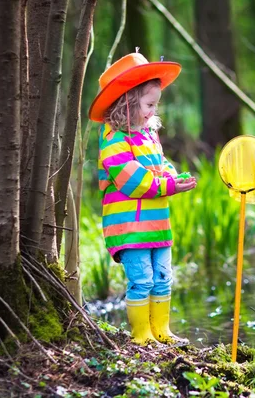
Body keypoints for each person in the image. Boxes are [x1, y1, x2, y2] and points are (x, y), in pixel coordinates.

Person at [89, 52, 196, 345]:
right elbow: (133, 180)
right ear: (126, 102)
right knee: (142, 280)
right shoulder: (113, 138)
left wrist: (174, 176)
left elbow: (160, 166)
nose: (152, 111)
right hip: (129, 226)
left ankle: (161, 329)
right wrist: (169, 186)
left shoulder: (149, 135)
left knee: (163, 277)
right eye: (149, 104)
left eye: (155, 105)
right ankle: (141, 335)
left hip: (157, 224)